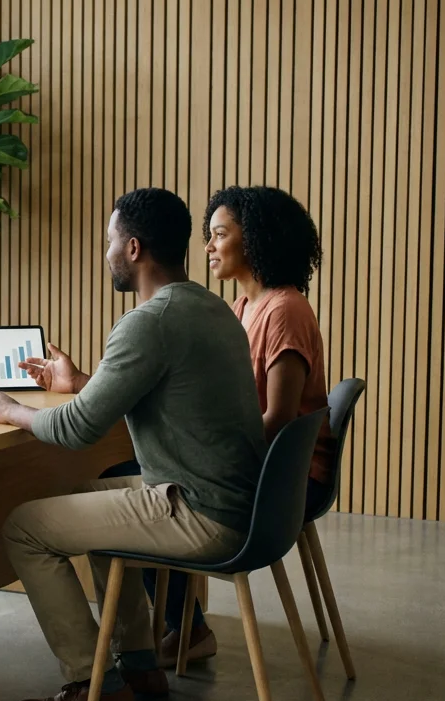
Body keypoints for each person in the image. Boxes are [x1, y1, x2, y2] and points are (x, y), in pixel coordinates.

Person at [0, 188, 267, 701]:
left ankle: (92, 684)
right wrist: (79, 383)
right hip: (233, 503)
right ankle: (138, 665)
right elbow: (146, 395)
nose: (106, 251)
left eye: (110, 240)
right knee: (85, 502)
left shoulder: (149, 322)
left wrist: (10, 410)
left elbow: (78, 428)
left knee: (23, 528)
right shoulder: (211, 308)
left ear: (133, 248)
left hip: (199, 513)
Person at [131, 185, 335, 667]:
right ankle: (185, 626)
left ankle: (185, 630)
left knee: (145, 486)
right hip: (264, 468)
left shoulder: (284, 311)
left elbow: (278, 421)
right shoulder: (244, 309)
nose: (207, 246)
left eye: (220, 234)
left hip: (284, 481)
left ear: (257, 239)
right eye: (209, 235)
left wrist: (204, 450)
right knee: (152, 478)